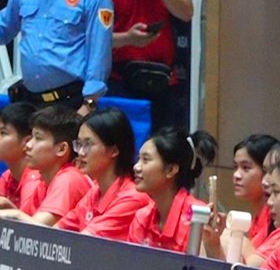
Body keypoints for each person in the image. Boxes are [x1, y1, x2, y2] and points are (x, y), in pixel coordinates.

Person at [0, 0, 113, 114]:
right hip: (29, 99)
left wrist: (88, 105)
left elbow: (99, 57)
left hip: (69, 101)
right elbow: (5, 27)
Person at [100, 0, 194, 130]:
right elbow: (90, 38)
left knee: (162, 147)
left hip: (161, 81)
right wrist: (127, 39)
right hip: (117, 82)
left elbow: (186, 12)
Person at [54, 108, 150, 240]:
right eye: (79, 144)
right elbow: (55, 233)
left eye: (88, 144)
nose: (81, 152)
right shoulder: (95, 192)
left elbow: (84, 244)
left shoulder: (133, 198)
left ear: (114, 150)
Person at [128, 127, 217, 252]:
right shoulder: (142, 218)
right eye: (138, 159)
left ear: (170, 170)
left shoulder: (197, 220)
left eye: (146, 160)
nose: (136, 167)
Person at [0, 105, 91, 225]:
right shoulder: (43, 183)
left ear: (61, 149)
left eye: (38, 138)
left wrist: (15, 214)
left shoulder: (69, 179)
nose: (28, 145)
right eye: (32, 137)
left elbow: (35, 234)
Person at [203, 134, 278, 264]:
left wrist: (234, 237)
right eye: (235, 167)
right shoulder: (255, 220)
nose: (237, 175)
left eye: (246, 168)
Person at [0, 102, 40, 213]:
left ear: (27, 142)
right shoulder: (7, 176)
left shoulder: (35, 179)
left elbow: (26, 228)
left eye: (3, 133)